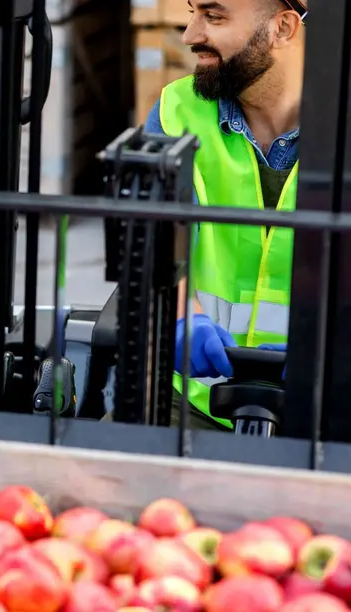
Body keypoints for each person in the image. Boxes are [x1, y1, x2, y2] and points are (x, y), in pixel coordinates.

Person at [139, 0, 307, 429]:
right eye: (195, 13)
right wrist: (181, 316)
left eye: (213, 17)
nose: (190, 34)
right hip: (196, 401)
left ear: (283, 28)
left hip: (331, 406)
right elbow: (154, 243)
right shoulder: (177, 111)